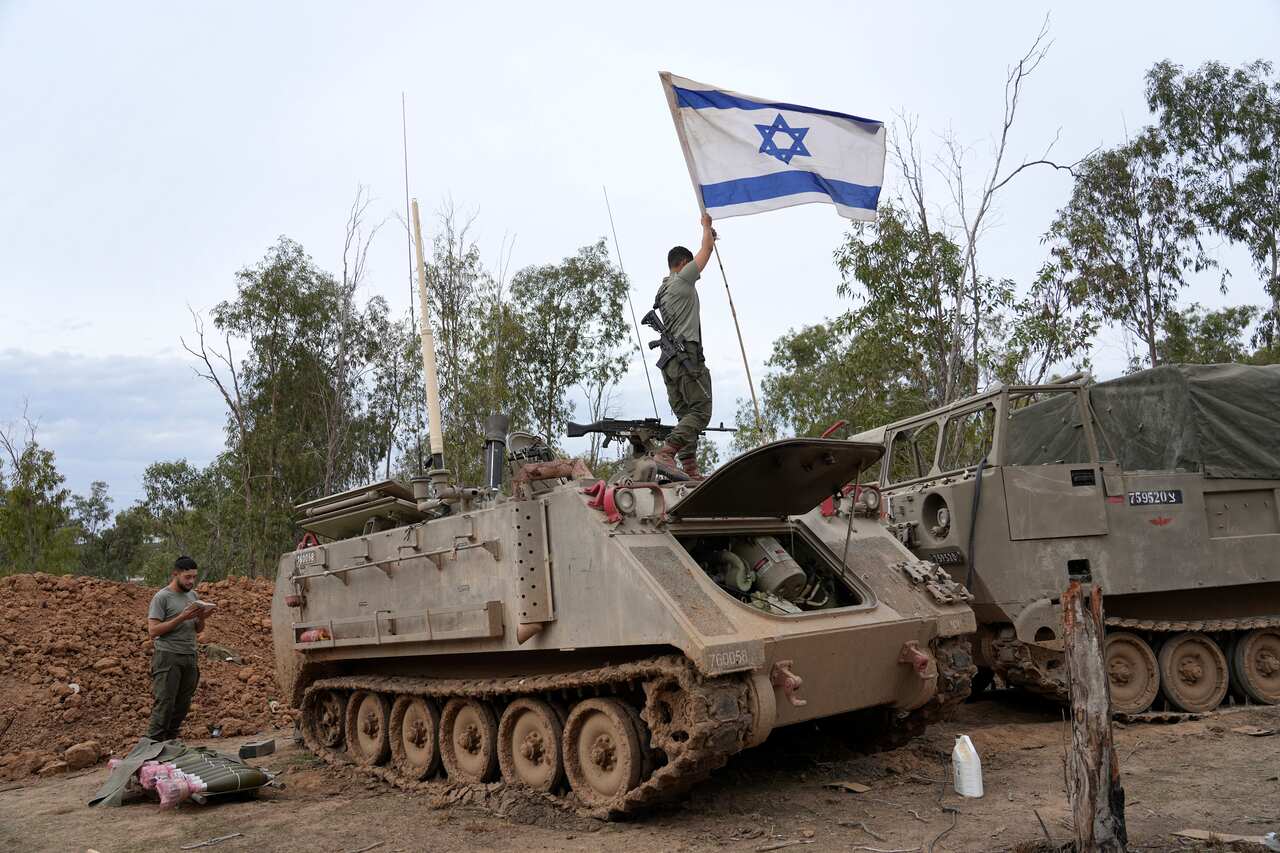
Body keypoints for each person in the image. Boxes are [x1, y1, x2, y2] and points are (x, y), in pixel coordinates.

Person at [654, 211, 717, 479]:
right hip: (687, 358)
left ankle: (689, 469)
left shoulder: (662, 291)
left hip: (670, 364)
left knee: (686, 417)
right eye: (689, 264)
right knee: (701, 411)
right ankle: (666, 452)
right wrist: (706, 227)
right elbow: (706, 250)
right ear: (682, 263)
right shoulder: (681, 280)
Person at [145, 556, 212, 741]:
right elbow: (153, 631)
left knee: (182, 704)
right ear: (176, 574)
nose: (191, 581)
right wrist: (182, 617)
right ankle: (151, 747)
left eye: (193, 577)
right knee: (165, 703)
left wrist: (202, 617)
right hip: (168, 656)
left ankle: (169, 743)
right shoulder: (162, 597)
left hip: (189, 655)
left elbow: (198, 629)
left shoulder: (193, 596)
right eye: (187, 577)